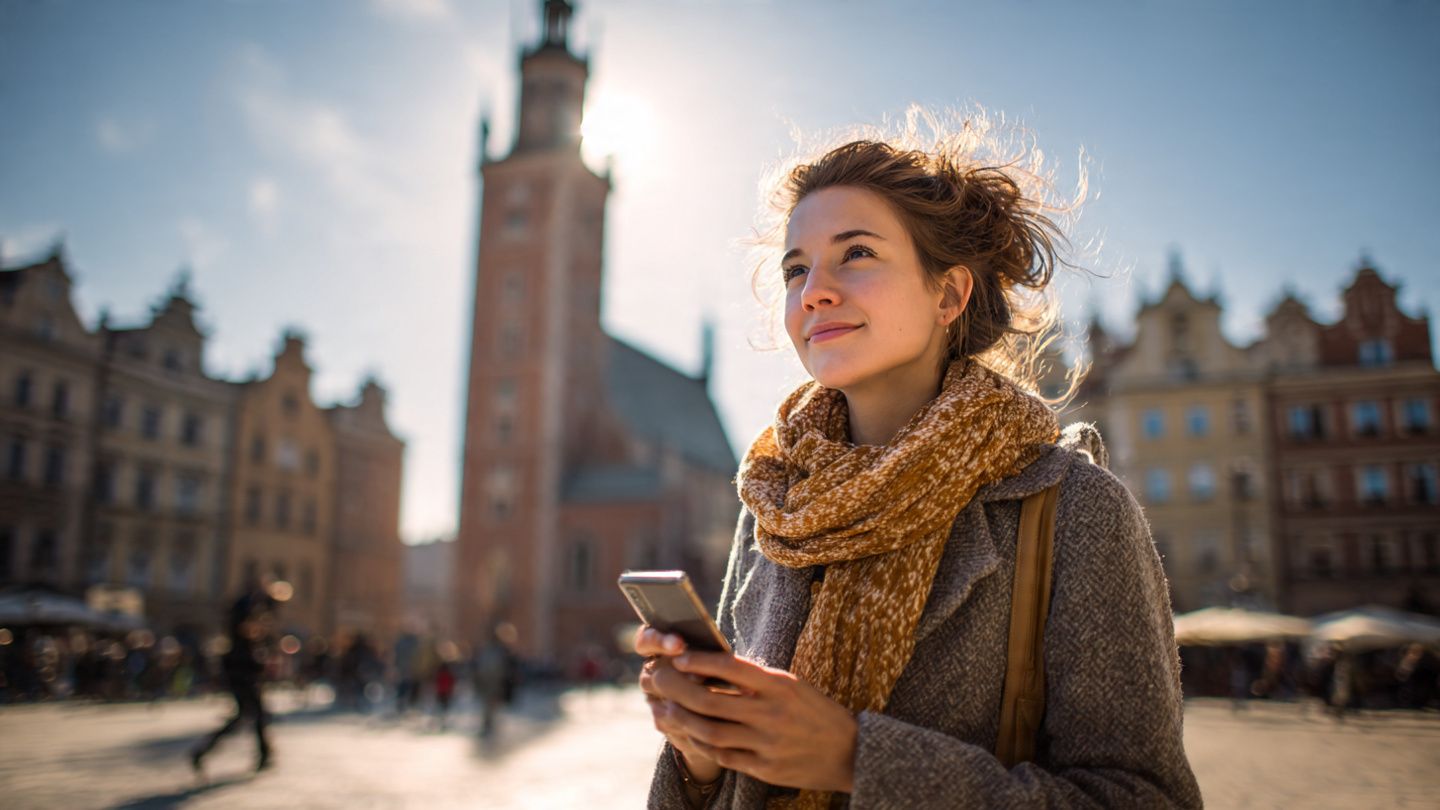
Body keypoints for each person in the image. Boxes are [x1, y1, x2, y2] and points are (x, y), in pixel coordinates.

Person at [636, 109, 1202, 808]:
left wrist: (856, 758)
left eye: (856, 253)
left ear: (949, 294)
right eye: (795, 268)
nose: (813, 291)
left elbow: (1145, 797)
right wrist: (699, 755)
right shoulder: (775, 505)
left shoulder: (1076, 509)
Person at [191, 579, 277, 774]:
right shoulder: (242, 618)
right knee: (254, 714)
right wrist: (261, 628)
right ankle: (263, 754)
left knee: (248, 716)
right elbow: (247, 630)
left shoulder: (243, 615)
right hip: (241, 671)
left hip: (243, 670)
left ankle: (204, 750)